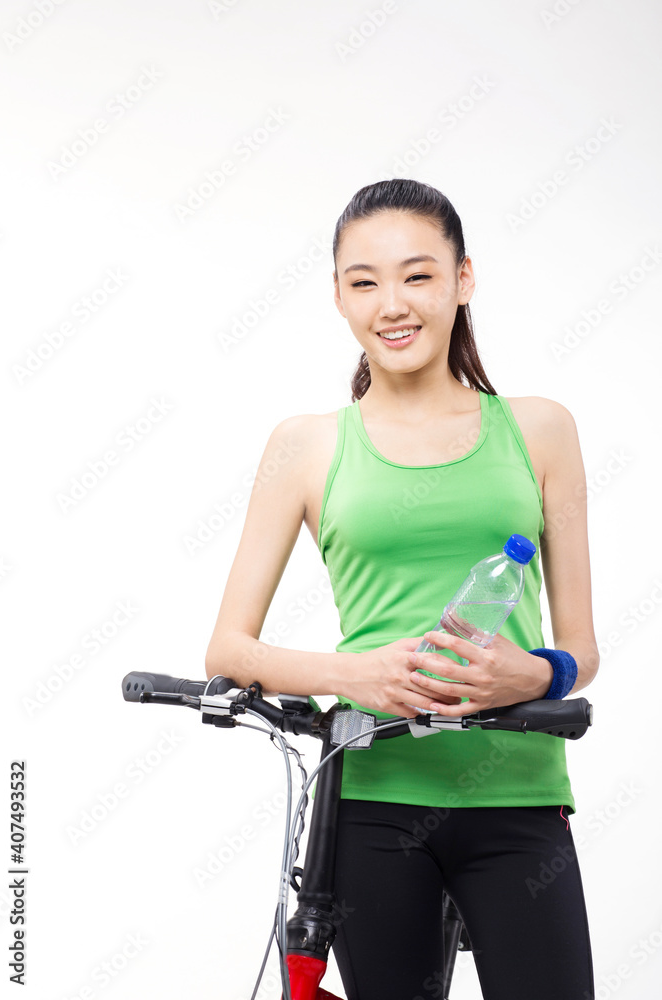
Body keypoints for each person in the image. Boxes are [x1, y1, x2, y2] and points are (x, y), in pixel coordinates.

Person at [205, 178, 599, 1000]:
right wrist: (356, 675)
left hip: (516, 793)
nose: (393, 303)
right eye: (364, 281)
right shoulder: (306, 445)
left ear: (462, 280)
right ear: (340, 298)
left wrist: (531, 674)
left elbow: (580, 652)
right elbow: (228, 651)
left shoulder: (540, 429)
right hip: (368, 798)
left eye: (418, 275)